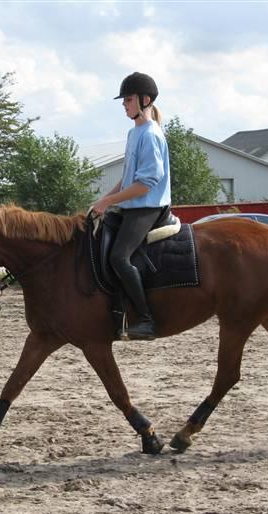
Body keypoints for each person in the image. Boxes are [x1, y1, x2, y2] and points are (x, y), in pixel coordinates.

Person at [91, 72, 171, 340]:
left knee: (119, 257)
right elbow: (128, 180)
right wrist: (102, 201)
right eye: (124, 100)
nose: (124, 104)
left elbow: (145, 185)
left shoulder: (150, 135)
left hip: (148, 207)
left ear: (145, 100)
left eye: (128, 99)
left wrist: (109, 201)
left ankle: (146, 320)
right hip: (132, 206)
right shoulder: (134, 132)